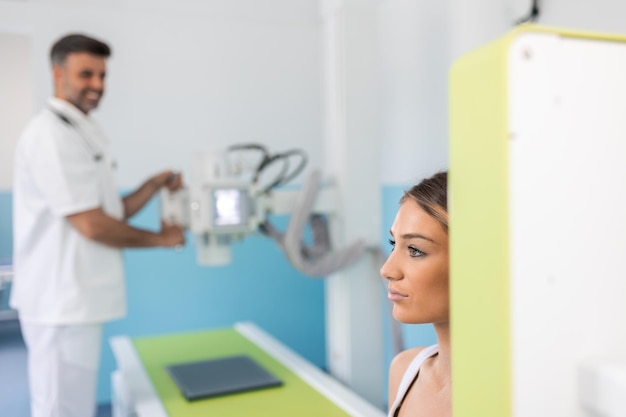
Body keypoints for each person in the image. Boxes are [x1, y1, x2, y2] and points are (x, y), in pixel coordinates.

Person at [10, 33, 186, 417]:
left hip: (76, 300)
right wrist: (163, 239)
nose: (97, 85)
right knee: (60, 408)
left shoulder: (83, 132)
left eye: (102, 75)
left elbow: (111, 212)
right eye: (86, 74)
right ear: (58, 74)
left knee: (74, 405)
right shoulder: (50, 136)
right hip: (59, 302)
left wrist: (152, 186)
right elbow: (92, 225)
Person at [380, 171, 450, 417]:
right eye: (393, 244)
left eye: (415, 250)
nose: (387, 270)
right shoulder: (404, 370)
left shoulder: (515, 396)